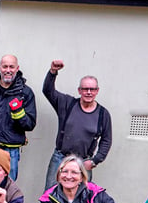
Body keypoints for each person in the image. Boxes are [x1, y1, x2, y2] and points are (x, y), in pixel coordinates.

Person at [42, 60, 112, 190]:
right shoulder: (67, 104)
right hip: (60, 158)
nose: (89, 92)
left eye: (92, 89)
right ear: (79, 90)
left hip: (83, 162)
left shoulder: (103, 114)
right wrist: (53, 72)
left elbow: (106, 141)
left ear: (97, 91)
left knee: (80, 200)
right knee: (49, 196)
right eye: (85, 89)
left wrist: (94, 161)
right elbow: (48, 91)